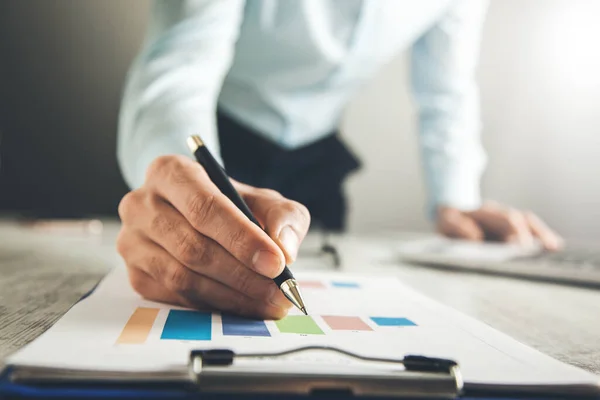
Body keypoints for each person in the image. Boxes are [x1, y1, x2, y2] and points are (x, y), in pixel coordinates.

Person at [116, 1, 562, 319]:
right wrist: (177, 178)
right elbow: (179, 64)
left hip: (317, 166)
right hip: (207, 146)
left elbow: (449, 90)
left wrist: (458, 199)